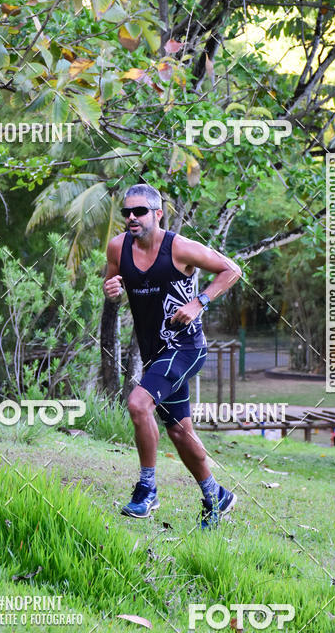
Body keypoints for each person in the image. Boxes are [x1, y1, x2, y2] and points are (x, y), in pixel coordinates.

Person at [103, 184, 242, 529]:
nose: (132, 218)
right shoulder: (118, 248)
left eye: (139, 212)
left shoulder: (178, 247)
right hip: (155, 354)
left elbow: (232, 270)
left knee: (138, 404)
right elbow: (112, 291)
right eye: (126, 213)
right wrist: (111, 292)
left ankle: (147, 488)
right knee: (180, 432)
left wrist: (199, 303)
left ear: (158, 213)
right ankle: (217, 497)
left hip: (186, 349)